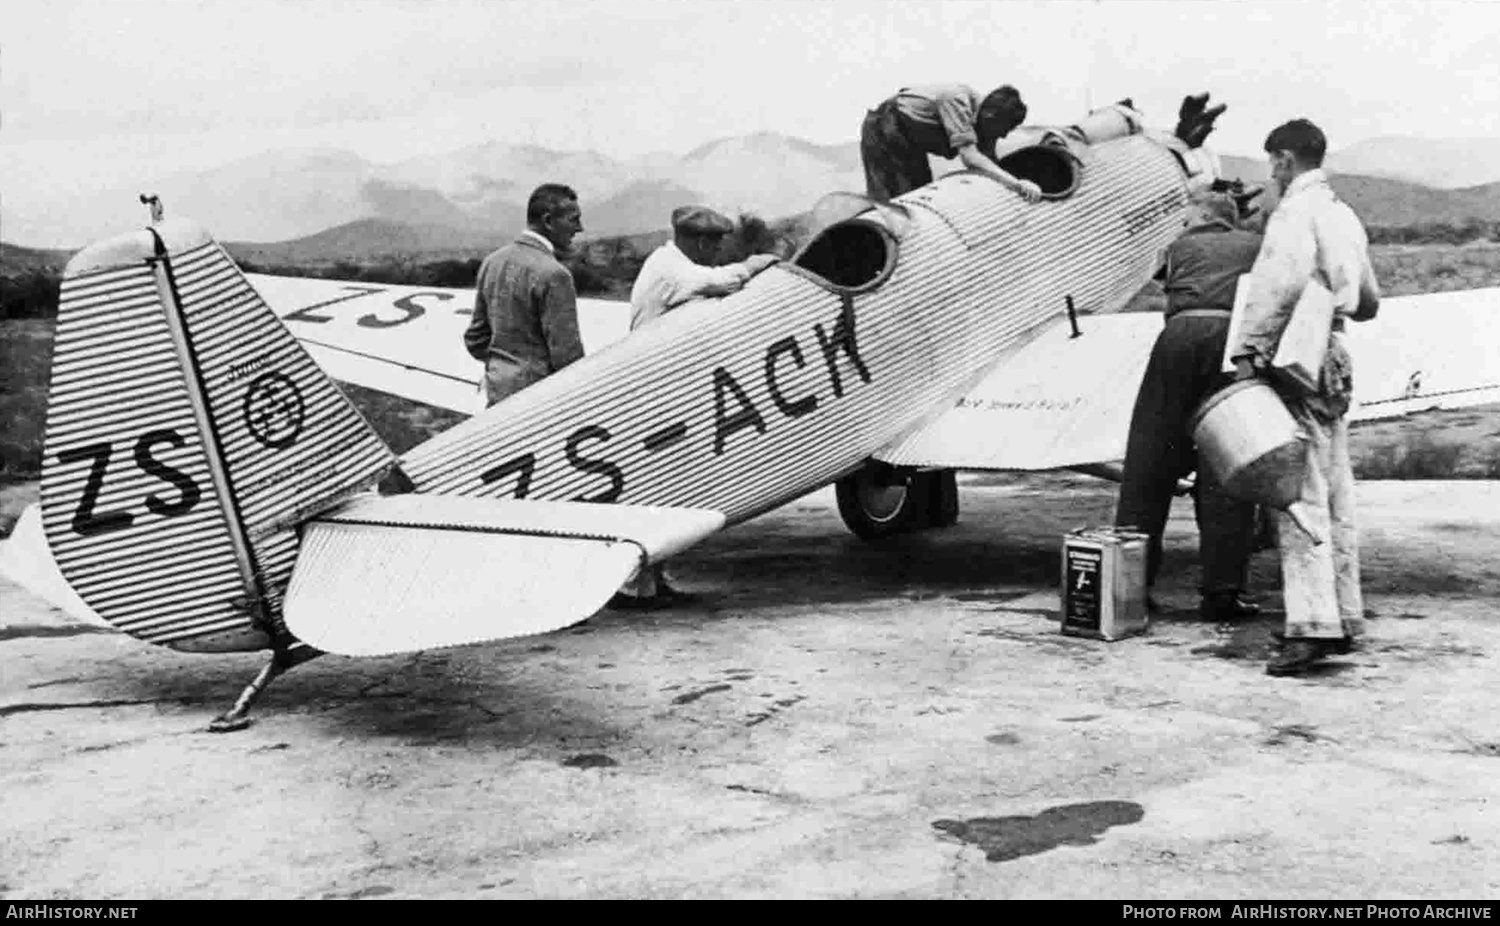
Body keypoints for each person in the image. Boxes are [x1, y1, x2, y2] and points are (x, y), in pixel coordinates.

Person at [1228, 118, 1380, 676]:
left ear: (1286, 160)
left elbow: (1276, 287)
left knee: (1298, 493)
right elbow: (1368, 300)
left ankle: (1312, 626)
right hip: (1336, 351)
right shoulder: (1343, 213)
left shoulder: (1295, 213)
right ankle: (1343, 615)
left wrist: (1249, 351)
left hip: (1299, 356)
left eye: (1273, 162)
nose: (1270, 172)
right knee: (1337, 489)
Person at [609, 205, 781, 610]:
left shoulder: (667, 262)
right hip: (653, 393)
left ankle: (654, 579)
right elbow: (719, 282)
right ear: (700, 241)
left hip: (664, 391)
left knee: (668, 486)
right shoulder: (672, 269)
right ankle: (634, 586)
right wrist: (756, 264)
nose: (719, 250)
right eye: (716, 243)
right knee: (653, 486)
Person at [1115, 189, 1265, 622]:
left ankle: (1131, 587)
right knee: (1227, 462)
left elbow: (1162, 277)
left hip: (1178, 340)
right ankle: (1223, 593)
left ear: (1202, 215)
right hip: (1233, 345)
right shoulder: (1256, 245)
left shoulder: (1178, 246)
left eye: (1186, 216)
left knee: (1148, 459)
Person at [463, 183, 586, 407]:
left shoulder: (492, 262)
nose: (579, 229)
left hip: (496, 396)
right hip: (537, 404)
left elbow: (475, 339)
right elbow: (568, 360)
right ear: (548, 221)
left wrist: (503, 371)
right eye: (573, 220)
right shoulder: (556, 275)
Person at [860, 84, 1042, 203]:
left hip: (911, 140)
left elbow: (990, 164)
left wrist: (1019, 184)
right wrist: (1018, 184)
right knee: (894, 202)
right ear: (990, 118)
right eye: (1004, 129)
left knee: (918, 197)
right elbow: (971, 158)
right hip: (885, 126)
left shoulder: (986, 121)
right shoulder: (957, 102)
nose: (1002, 136)